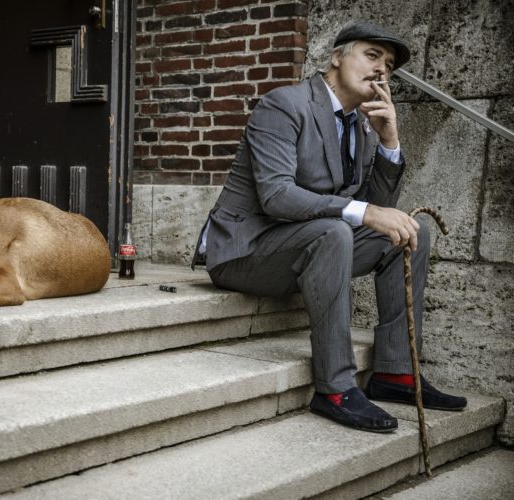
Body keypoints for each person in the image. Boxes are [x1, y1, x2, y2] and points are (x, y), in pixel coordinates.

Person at [192, 21, 466, 433]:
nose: (381, 71)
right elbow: (277, 196)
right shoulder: (284, 104)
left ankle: (394, 373)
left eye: (389, 66)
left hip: (306, 248)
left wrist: (389, 142)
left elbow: (379, 213)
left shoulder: (360, 124)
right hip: (243, 252)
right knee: (334, 229)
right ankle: (335, 387)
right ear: (337, 57)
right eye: (372, 56)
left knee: (409, 233)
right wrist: (365, 212)